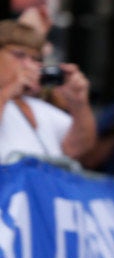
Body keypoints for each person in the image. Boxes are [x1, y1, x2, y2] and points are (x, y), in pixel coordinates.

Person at [0, 19, 96, 164]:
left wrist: (79, 104)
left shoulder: (36, 107)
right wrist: (10, 88)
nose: (29, 65)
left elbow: (76, 149)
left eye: (35, 59)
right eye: (20, 55)